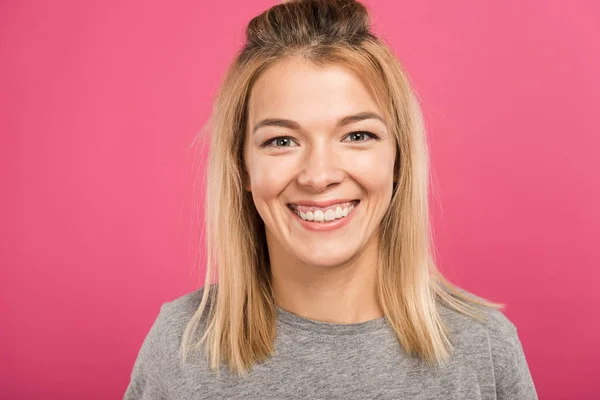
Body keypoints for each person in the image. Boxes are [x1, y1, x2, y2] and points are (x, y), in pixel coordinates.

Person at [124, 0, 538, 398]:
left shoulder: (484, 347)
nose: (319, 176)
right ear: (243, 167)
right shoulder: (182, 346)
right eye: (282, 140)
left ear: (399, 158)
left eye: (357, 136)